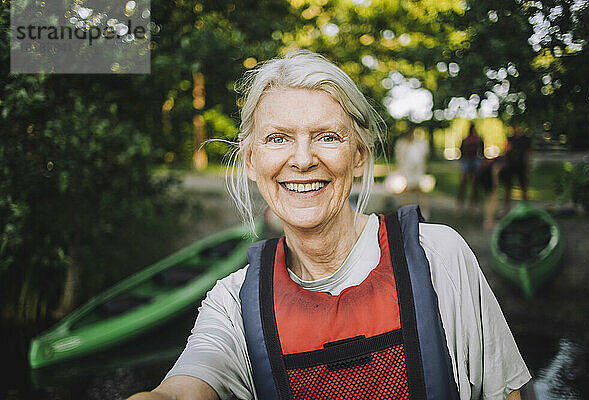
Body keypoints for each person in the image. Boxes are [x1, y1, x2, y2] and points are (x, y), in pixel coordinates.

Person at [128, 51, 531, 400]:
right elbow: (186, 386)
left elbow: (509, 393)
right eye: (278, 139)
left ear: (358, 156)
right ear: (251, 162)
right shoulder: (233, 304)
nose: (302, 159)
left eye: (326, 137)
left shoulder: (437, 256)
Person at [394, 126, 430, 219]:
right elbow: (400, 158)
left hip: (416, 172)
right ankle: (407, 214)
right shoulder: (403, 144)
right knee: (407, 193)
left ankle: (423, 212)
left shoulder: (418, 144)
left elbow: (422, 158)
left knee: (418, 191)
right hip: (407, 172)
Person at [502, 122, 532, 213]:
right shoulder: (510, 139)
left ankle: (527, 209)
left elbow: (529, 153)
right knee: (508, 189)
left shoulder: (525, 139)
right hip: (510, 167)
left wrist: (528, 166)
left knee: (524, 188)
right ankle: (506, 210)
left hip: (521, 166)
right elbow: (505, 151)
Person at [457, 123, 484, 212]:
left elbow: (481, 151)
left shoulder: (476, 139)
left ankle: (472, 203)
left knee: (474, 183)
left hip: (473, 160)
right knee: (464, 183)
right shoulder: (468, 139)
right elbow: (461, 150)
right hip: (468, 160)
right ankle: (462, 203)